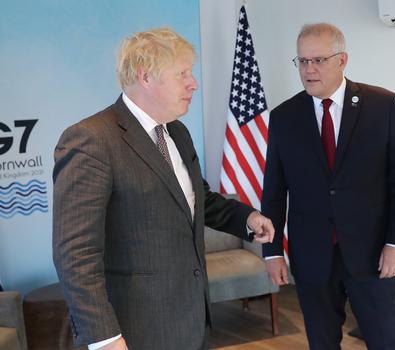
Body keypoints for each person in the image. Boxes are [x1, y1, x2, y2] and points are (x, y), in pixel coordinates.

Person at [52, 27, 275, 350]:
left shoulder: (177, 133)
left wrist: (247, 218)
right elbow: (75, 254)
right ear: (145, 77)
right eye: (182, 73)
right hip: (133, 331)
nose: (193, 83)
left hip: (192, 320)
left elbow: (196, 199)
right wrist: (104, 337)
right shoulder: (91, 140)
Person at [262, 23, 395, 349]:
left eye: (318, 60)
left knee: (386, 340)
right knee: (322, 343)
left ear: (342, 60)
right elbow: (274, 190)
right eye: (302, 61)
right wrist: (272, 251)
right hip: (312, 256)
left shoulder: (382, 105)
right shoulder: (283, 117)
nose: (309, 69)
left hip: (373, 253)